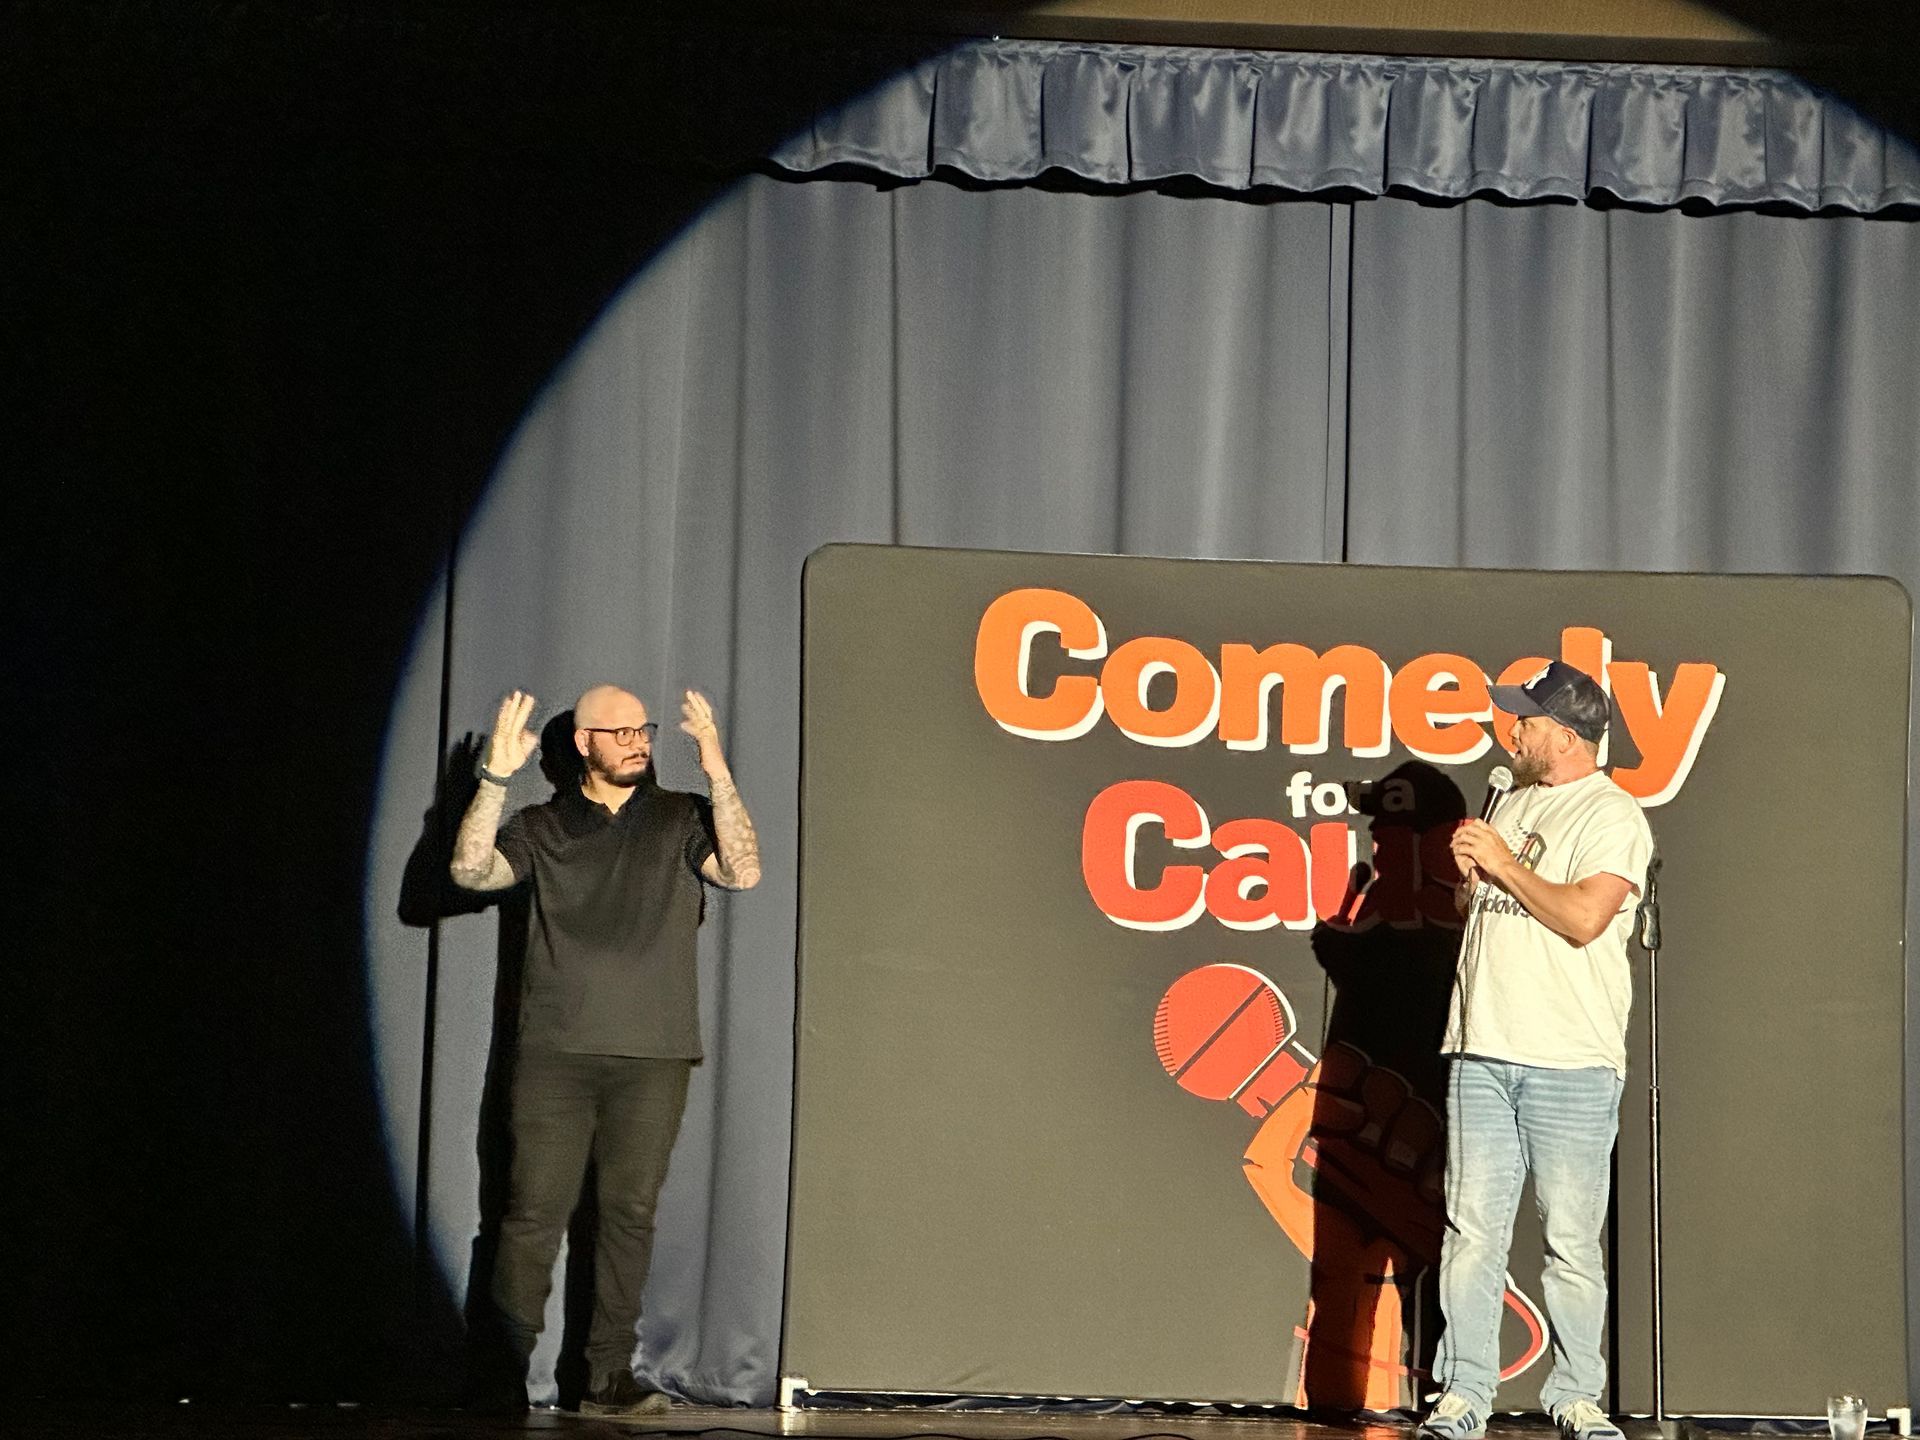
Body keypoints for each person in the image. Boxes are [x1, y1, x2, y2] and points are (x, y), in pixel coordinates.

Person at [449, 683, 762, 1417]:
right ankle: (499, 1378)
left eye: (643, 730)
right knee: (531, 1216)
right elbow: (469, 872)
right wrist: (494, 777)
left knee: (628, 1214)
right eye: (618, 732)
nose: (637, 742)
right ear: (584, 744)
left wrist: (716, 767)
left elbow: (743, 871)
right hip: (555, 1054)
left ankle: (605, 1379)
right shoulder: (540, 826)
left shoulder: (681, 817)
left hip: (653, 1055)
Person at [1420, 661, 1652, 1440]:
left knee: (1570, 1243)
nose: (1509, 730)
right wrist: (1465, 880)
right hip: (1483, 1047)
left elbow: (1584, 918)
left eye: (1523, 719)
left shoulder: (1613, 814)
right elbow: (1486, 908)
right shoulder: (1509, 801)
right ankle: (1464, 1396)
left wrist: (1505, 863)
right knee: (1472, 1232)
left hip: (1570, 1061)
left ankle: (1578, 1395)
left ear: (1563, 732)